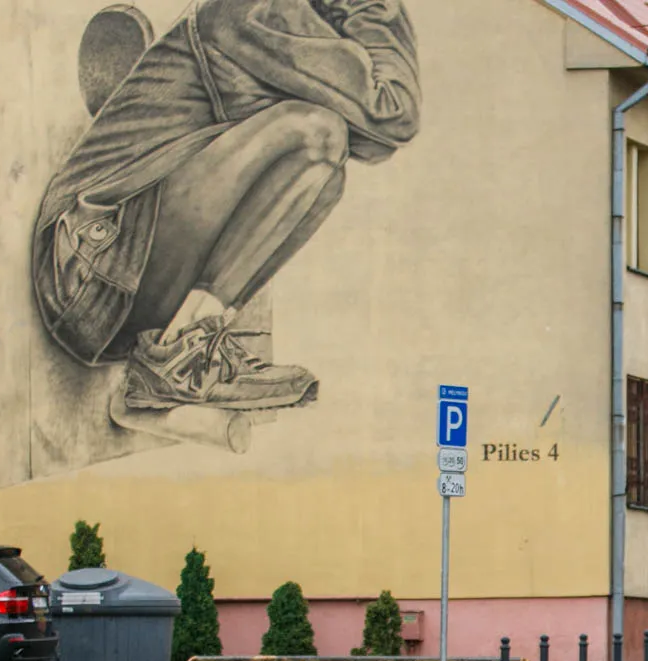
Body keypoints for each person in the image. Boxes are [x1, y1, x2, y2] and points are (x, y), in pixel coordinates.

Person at [33, 0, 421, 410]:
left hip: (120, 286)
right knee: (318, 133)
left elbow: (373, 140)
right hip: (91, 270)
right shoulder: (254, 11)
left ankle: (187, 345)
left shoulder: (296, 21)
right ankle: (180, 354)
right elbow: (394, 112)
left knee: (327, 168)